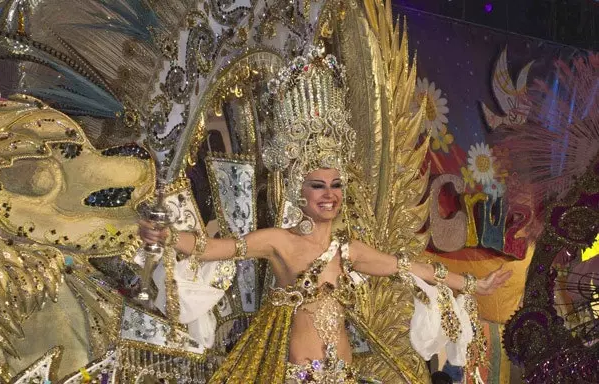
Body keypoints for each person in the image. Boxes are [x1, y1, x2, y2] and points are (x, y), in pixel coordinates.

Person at [139, 47, 511, 383]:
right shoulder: (279, 242)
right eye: (318, 185)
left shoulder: (348, 250)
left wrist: (475, 285)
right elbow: (213, 249)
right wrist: (168, 236)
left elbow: (410, 268)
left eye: (335, 185)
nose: (329, 195)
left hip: (344, 375)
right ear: (300, 191)